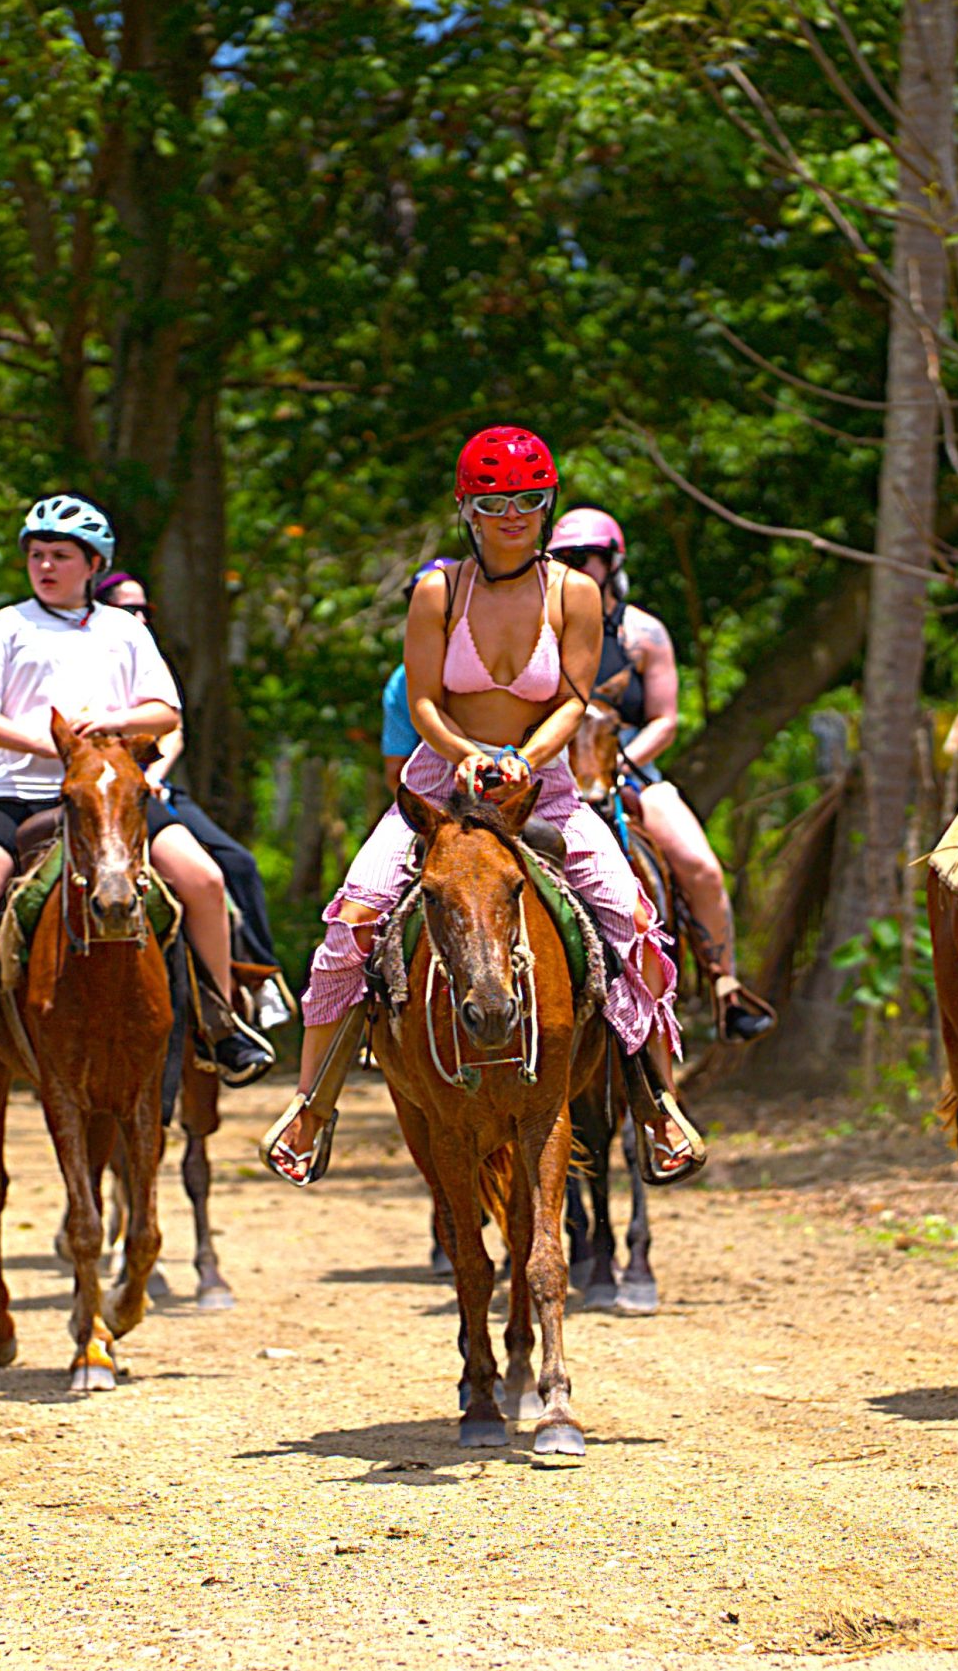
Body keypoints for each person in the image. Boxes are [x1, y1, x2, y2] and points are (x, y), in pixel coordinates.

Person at [262, 425, 704, 1187]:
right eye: (496, 502)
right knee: (355, 919)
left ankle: (660, 1100)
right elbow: (426, 700)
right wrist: (466, 754)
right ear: (467, 508)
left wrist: (524, 762)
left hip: (546, 783)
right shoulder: (440, 589)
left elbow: (571, 700)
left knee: (633, 924)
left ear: (547, 505)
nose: (515, 516)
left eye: (531, 501)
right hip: (442, 781)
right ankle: (312, 1105)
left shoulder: (576, 592)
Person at [0, 496, 273, 1125]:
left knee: (205, 879)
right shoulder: (4, 628)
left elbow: (166, 713)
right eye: (37, 554)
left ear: (93, 564)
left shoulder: (125, 630)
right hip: (19, 792)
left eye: (60, 555)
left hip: (114, 794)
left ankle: (219, 1021)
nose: (44, 565)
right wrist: (40, 741)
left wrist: (116, 723)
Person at [546, 508, 771, 1041]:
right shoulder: (540, 628)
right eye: (563, 559)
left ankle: (724, 986)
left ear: (611, 562)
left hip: (628, 764)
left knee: (701, 865)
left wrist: (619, 761)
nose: (575, 568)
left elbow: (666, 719)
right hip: (551, 764)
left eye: (586, 559)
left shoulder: (643, 633)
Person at [91, 568, 287, 1007]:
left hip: (153, 787)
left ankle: (256, 978)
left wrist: (153, 778)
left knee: (234, 864)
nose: (138, 618)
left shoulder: (151, 658)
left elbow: (172, 730)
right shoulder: (80, 652)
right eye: (127, 609)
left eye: (144, 609)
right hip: (95, 789)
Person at [381, 560, 455, 795]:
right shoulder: (401, 682)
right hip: (432, 793)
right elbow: (396, 772)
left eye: (446, 597)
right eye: (421, 598)